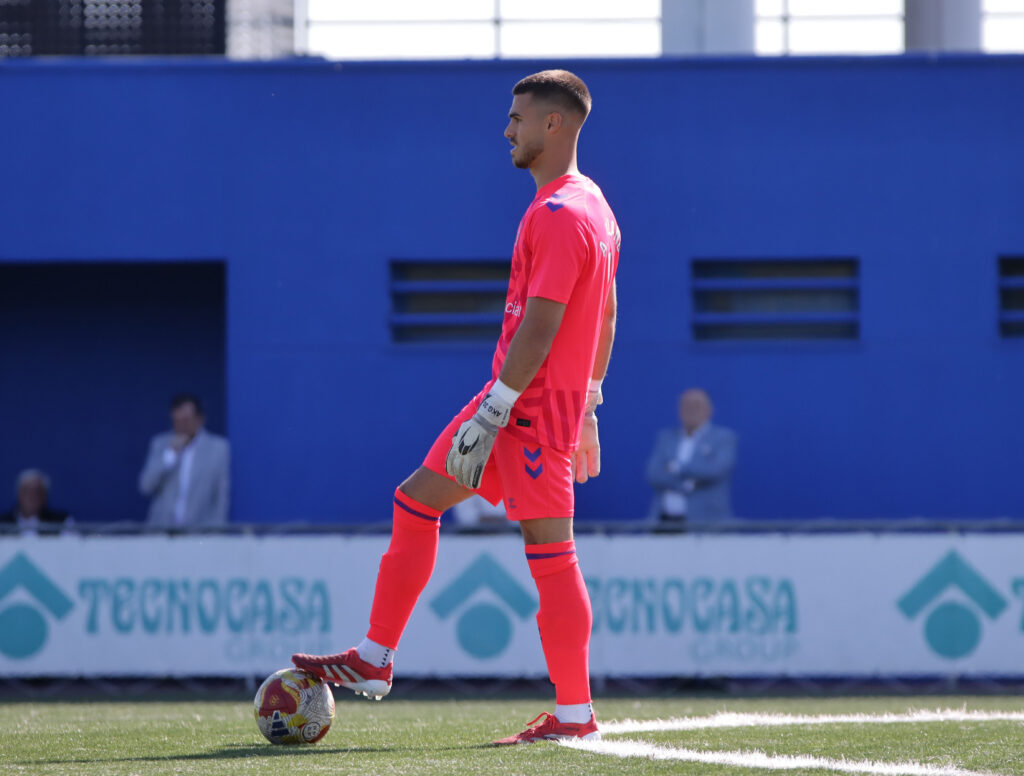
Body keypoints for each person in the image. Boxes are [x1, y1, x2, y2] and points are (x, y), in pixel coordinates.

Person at [292, 70, 619, 746]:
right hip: (528, 399)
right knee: (415, 500)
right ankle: (377, 657)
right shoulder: (595, 206)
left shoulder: (560, 214)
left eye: (518, 118)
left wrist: (499, 408)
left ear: (552, 125)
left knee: (552, 553)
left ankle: (576, 715)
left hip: (524, 405)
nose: (508, 130)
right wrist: (588, 405)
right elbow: (608, 316)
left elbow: (543, 325)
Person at [646, 388, 737, 526]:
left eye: (697, 405)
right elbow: (654, 473)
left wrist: (676, 468)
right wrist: (687, 484)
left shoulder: (724, 439)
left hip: (706, 525)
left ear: (709, 409)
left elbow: (715, 471)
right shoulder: (666, 438)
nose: (691, 410)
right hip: (664, 523)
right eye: (686, 406)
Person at [138, 393, 230, 528]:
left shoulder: (218, 448)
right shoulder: (160, 444)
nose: (181, 426)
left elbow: (221, 495)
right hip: (162, 531)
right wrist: (171, 455)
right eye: (177, 421)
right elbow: (146, 486)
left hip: (199, 533)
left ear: (200, 419)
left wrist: (216, 530)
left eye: (186, 420)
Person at [0, 469, 72, 532]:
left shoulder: (61, 522)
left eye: (36, 492)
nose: (31, 496)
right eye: (26, 491)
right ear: (19, 494)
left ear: (44, 496)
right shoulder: (3, 523)